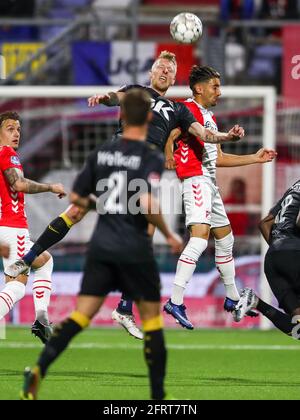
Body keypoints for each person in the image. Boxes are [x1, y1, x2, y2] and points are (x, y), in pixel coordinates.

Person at [6, 51, 244, 339]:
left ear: (173, 77)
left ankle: (123, 307)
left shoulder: (177, 109)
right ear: (151, 72)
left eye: (170, 69)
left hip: (141, 168)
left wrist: (226, 137)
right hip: (118, 157)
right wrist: (102, 98)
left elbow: (204, 134)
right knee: (80, 211)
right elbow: (114, 96)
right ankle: (30, 258)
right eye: (161, 67)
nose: (165, 72)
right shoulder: (137, 91)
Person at [20, 89, 183, 401]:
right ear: (149, 118)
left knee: (81, 316)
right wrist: (169, 234)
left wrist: (106, 205)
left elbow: (79, 199)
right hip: (135, 248)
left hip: (102, 247)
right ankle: (159, 397)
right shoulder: (150, 156)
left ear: (121, 115)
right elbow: (147, 202)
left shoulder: (102, 153)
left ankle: (39, 369)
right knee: (152, 323)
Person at [162, 65, 276, 329]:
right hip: (195, 180)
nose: (219, 92)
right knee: (200, 240)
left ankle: (233, 298)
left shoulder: (208, 116)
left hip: (209, 183)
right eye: (215, 86)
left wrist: (255, 158)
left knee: (226, 239)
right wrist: (169, 153)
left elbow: (220, 157)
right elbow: (174, 134)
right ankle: (176, 300)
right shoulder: (187, 110)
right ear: (199, 88)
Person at [0, 111, 66, 343]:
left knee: (44, 260)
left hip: (6, 229)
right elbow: (17, 183)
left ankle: (41, 318)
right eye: (10, 128)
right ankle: (41, 320)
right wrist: (50, 187)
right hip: (12, 227)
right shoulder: (8, 154)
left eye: (18, 129)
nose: (16, 133)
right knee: (17, 287)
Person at [234, 179, 300, 338]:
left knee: (298, 328)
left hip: (273, 258)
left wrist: (283, 252)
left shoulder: (293, 188)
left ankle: (256, 302)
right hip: (294, 253)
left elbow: (264, 223)